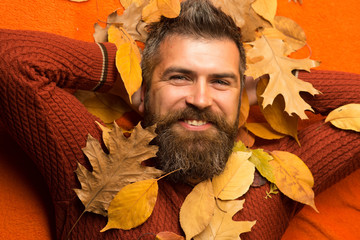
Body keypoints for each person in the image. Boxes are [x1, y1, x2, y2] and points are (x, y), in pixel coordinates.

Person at [0, 0, 359, 239]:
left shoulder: (269, 185)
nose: (200, 100)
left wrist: (269, 83)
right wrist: (124, 70)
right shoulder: (94, 165)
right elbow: (9, 60)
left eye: (221, 82)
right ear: (141, 93)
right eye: (178, 77)